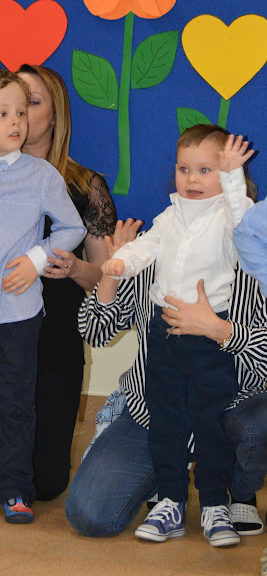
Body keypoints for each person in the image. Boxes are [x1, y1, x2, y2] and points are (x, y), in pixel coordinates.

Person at [0, 64, 119, 501]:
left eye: (29, 104)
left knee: (44, 482)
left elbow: (103, 280)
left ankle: (11, 482)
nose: (18, 117)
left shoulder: (81, 185)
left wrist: (69, 267)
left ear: (55, 115)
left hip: (50, 338)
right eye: (6, 108)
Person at [97, 125, 255, 546]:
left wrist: (232, 177)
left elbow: (245, 228)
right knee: (165, 421)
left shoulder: (229, 216)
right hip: (164, 333)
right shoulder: (168, 217)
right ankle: (170, 500)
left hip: (209, 339)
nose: (192, 179)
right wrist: (122, 263)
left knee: (211, 422)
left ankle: (214, 504)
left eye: (205, 169)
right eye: (185, 169)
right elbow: (145, 246)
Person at [66, 221, 267, 541]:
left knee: (260, 421)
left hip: (230, 408)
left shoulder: (256, 259)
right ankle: (166, 484)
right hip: (153, 409)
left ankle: (240, 491)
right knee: (89, 515)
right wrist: (112, 273)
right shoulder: (150, 248)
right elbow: (96, 332)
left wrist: (222, 331)